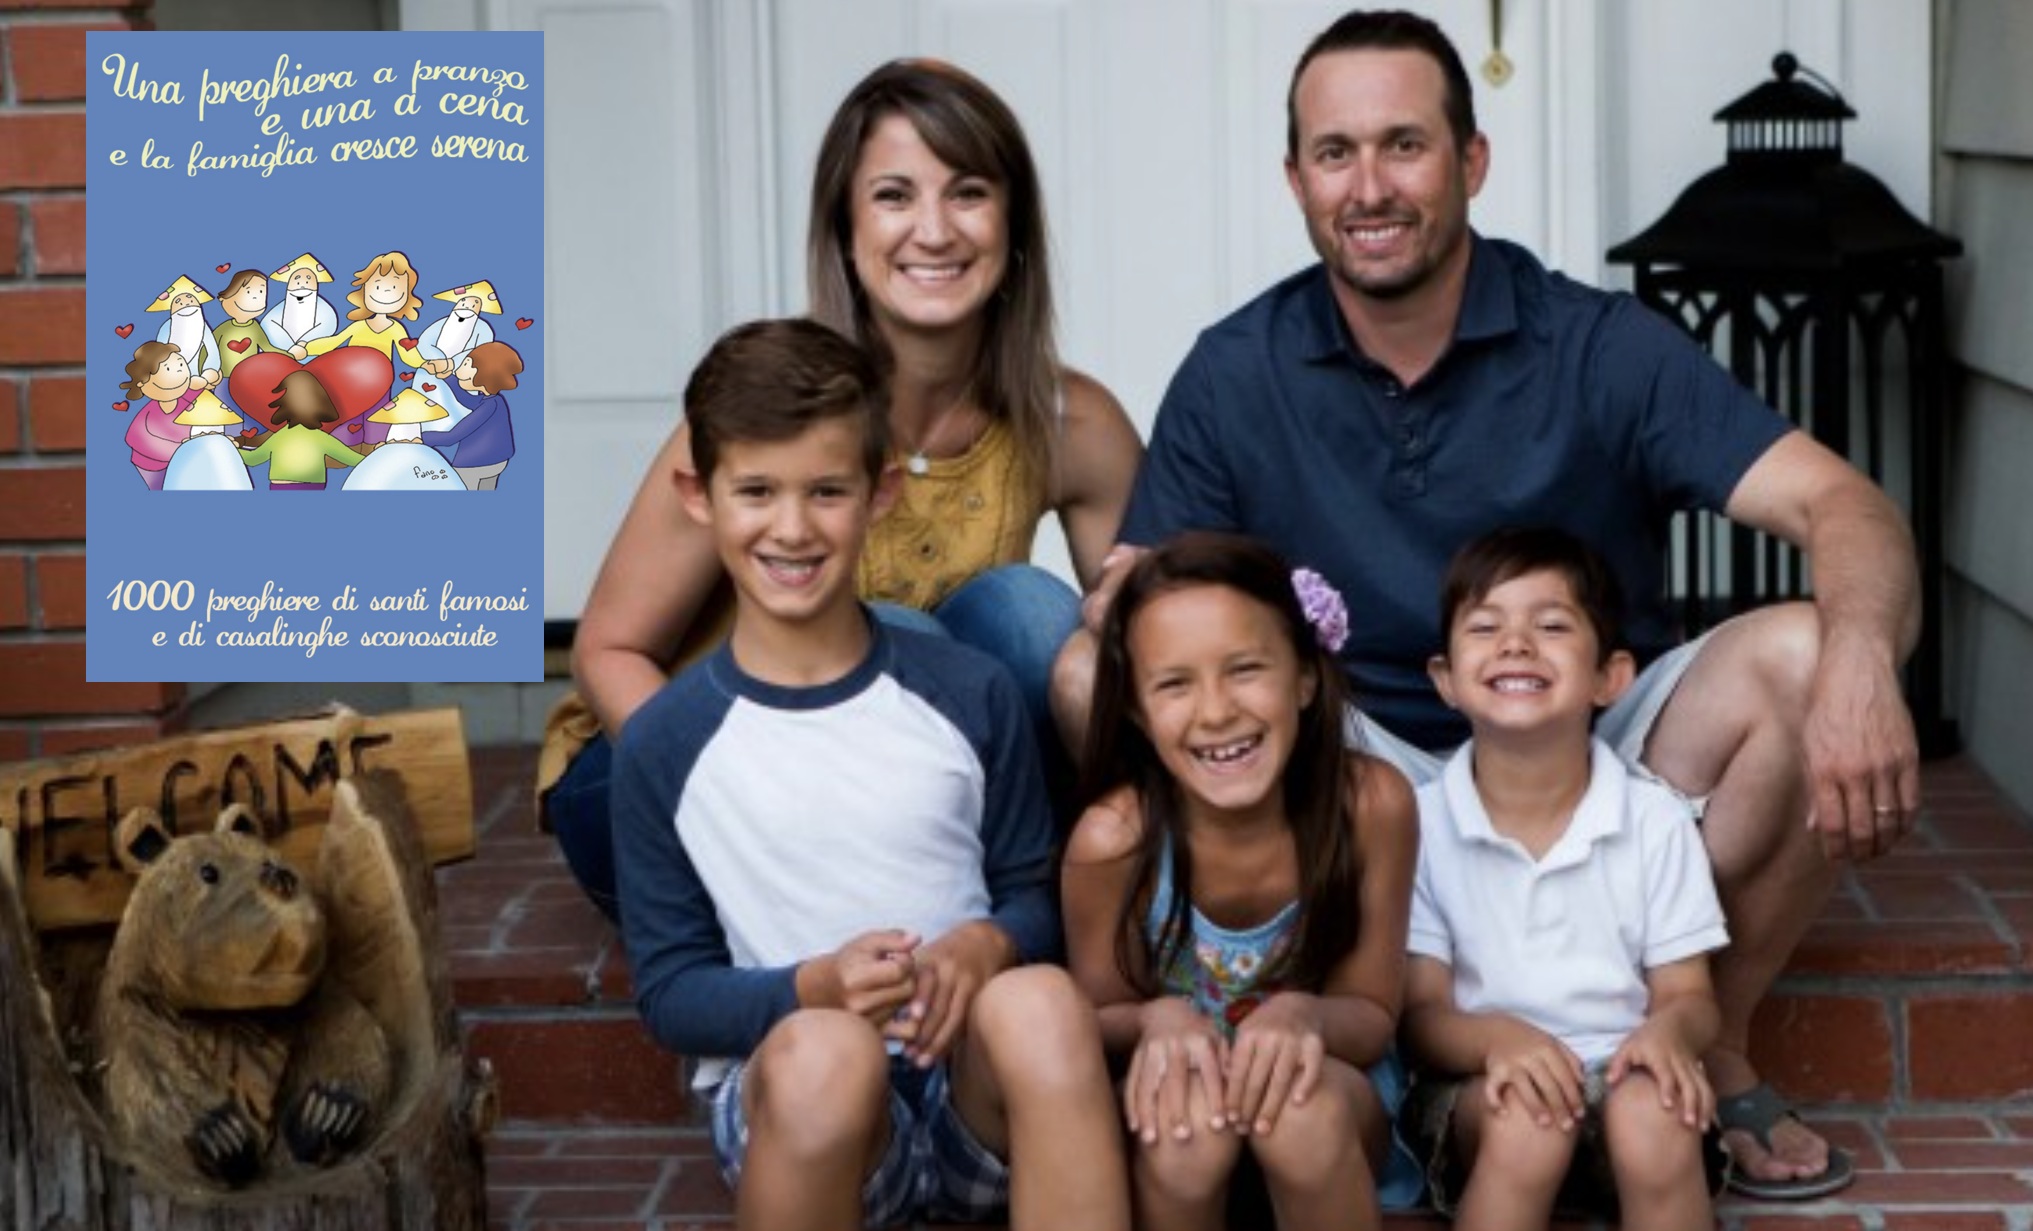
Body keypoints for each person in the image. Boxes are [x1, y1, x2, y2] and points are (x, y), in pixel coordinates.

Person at [1057, 8, 1918, 1198]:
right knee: (1081, 669)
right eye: (1334, 152)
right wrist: (1120, 606)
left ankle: (1703, 1038)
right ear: (1294, 179)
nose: (1368, 186)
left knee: (1807, 649)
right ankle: (1268, 1026)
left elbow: (1841, 503)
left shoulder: (1597, 344)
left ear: (1470, 160)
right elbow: (1153, 608)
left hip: (1580, 745)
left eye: (1403, 145)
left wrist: (1863, 661)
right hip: (1349, 759)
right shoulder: (1236, 367)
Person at [547, 57, 1143, 917]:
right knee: (892, 643)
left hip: (900, 804)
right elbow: (607, 651)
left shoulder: (1070, 422)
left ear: (1012, 223)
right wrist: (734, 797)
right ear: (844, 226)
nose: (933, 230)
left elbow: (1157, 646)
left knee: (1026, 612)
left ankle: (1033, 907)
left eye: (968, 193)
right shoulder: (769, 407)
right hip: (677, 776)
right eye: (894, 196)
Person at [611, 318, 1129, 1231]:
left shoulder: (968, 692)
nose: (792, 527)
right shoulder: (665, 740)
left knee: (1043, 1002)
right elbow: (671, 993)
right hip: (806, 1101)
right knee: (827, 1053)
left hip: (969, 1092)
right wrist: (809, 988)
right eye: (756, 491)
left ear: (880, 492)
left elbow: (1032, 895)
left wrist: (988, 944)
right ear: (698, 496)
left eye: (826, 491)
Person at [1061, 532, 1421, 1230]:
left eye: (1245, 669)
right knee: (1185, 1136)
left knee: (1296, 1107)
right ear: (1136, 711)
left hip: (1332, 1093)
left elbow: (1372, 1014)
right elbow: (1097, 1016)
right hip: (1178, 1105)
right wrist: (1154, 1018)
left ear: (1305, 678)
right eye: (1174, 683)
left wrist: (1302, 1015)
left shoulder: (1371, 806)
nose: (1216, 710)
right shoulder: (1113, 841)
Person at [1401, 527, 1728, 1230]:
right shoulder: (1419, 825)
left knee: (1655, 1110)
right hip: (1481, 1087)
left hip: (1624, 1076)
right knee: (1528, 1118)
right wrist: (1498, 1040)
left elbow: (1691, 996)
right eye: (1485, 627)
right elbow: (1422, 1017)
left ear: (1611, 677)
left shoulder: (1654, 818)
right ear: (1445, 679)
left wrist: (1669, 1034)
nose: (1516, 643)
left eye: (1551, 626)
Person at [306, 250, 423, 445]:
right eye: (377, 286)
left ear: (406, 295)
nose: (385, 292)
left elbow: (408, 355)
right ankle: (343, 447)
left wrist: (426, 363)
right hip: (349, 382)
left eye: (394, 287)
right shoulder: (359, 326)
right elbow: (333, 342)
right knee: (346, 415)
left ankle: (374, 447)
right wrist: (306, 348)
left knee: (376, 417)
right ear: (364, 291)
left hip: (380, 382)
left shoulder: (396, 329)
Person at [428, 339, 522, 490]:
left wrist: (417, 437)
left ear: (484, 373)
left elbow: (450, 438)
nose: (459, 370)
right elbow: (469, 400)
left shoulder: (490, 405)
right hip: (497, 460)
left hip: (475, 463)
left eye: (466, 364)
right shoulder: (494, 401)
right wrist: (447, 376)